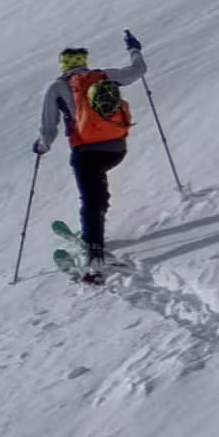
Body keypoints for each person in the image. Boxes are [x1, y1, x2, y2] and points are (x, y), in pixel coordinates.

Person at [34, 40, 144, 269]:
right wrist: (134, 49)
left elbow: (49, 127)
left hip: (86, 152)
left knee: (91, 199)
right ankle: (93, 232)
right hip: (116, 148)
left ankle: (94, 253)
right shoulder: (103, 76)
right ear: (84, 62)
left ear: (64, 65)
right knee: (98, 195)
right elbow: (138, 71)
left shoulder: (57, 88)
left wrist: (42, 146)